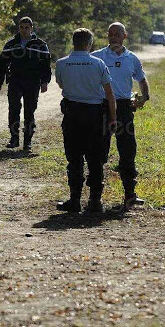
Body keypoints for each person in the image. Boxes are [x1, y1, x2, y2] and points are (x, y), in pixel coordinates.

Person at [55, 28, 117, 213]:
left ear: (73, 43)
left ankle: (74, 200)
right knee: (95, 159)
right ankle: (95, 202)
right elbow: (110, 94)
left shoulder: (61, 64)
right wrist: (113, 119)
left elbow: (61, 85)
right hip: (94, 115)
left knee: (74, 158)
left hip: (72, 113)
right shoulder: (98, 64)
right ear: (89, 44)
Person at [92, 22, 150, 210]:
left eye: (117, 34)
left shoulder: (131, 58)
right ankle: (95, 196)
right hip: (102, 108)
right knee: (99, 150)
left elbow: (141, 79)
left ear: (125, 36)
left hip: (124, 108)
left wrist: (145, 97)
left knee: (127, 150)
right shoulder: (98, 56)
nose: (114, 37)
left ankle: (130, 195)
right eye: (111, 34)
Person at [0, 17, 51, 153]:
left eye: (27, 27)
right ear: (18, 28)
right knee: (14, 109)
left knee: (29, 111)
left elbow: (46, 65)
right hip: (15, 80)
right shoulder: (11, 44)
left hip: (32, 82)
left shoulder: (40, 45)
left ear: (31, 28)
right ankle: (14, 138)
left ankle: (27, 142)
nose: (24, 30)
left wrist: (45, 81)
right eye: (22, 27)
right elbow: (1, 63)